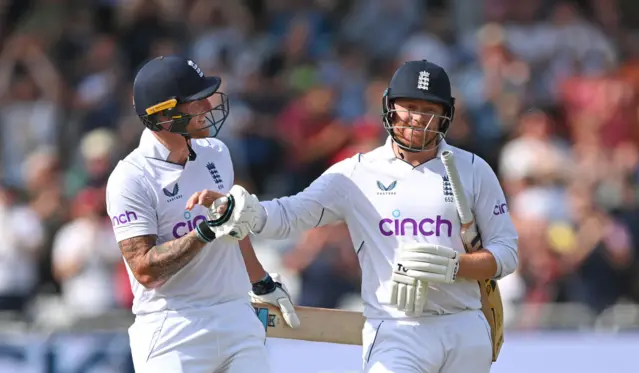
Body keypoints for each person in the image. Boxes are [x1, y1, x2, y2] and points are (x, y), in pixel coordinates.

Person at [187, 60, 519, 373]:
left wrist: (456, 266)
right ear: (390, 106)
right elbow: (291, 215)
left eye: (429, 110)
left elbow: (507, 254)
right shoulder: (357, 172)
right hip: (396, 329)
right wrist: (246, 210)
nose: (418, 118)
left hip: (464, 323)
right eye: (410, 107)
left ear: (446, 115)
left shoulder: (473, 170)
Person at [105, 55, 299, 373]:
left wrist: (261, 281)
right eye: (195, 102)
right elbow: (145, 270)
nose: (208, 107)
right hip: (173, 329)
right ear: (165, 116)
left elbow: (233, 227)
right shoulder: (130, 178)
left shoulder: (216, 152)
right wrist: (206, 231)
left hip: (236, 316)